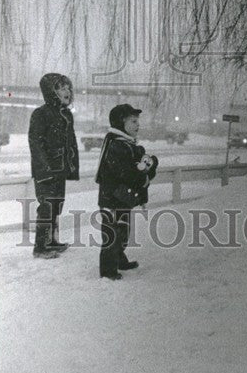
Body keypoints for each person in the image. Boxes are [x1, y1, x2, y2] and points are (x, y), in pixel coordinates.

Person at [95, 103, 158, 280]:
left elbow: (141, 169)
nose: (137, 125)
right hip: (112, 199)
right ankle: (108, 271)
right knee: (112, 236)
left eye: (138, 121)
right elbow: (126, 173)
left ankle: (120, 260)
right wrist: (142, 174)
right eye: (133, 121)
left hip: (122, 198)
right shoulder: (116, 146)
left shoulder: (130, 145)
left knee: (123, 233)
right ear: (120, 124)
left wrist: (150, 164)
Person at [28, 73, 80, 259]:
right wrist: (45, 168)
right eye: (61, 88)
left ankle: (51, 241)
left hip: (60, 169)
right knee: (46, 207)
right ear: (51, 92)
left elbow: (70, 142)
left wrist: (71, 165)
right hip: (46, 170)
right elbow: (36, 144)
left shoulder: (65, 114)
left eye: (68, 88)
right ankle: (40, 247)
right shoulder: (40, 114)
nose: (67, 91)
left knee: (57, 205)